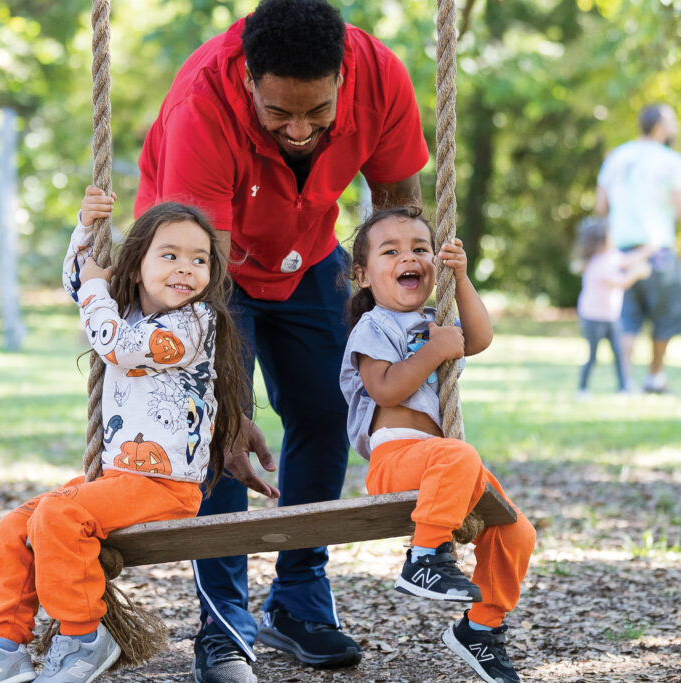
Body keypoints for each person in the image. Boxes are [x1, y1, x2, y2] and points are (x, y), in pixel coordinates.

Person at [135, 1, 430, 678]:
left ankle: (298, 597)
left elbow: (394, 200)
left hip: (304, 250)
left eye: (317, 112)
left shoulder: (380, 76)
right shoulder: (200, 106)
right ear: (247, 82)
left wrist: (400, 309)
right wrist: (227, 403)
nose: (299, 130)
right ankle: (224, 621)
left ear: (342, 81)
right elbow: (197, 281)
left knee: (333, 406)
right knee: (217, 428)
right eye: (278, 114)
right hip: (199, 266)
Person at [0, 187, 249, 683]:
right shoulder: (125, 310)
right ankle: (3, 648)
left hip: (166, 488)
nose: (186, 268)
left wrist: (94, 290)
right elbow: (79, 283)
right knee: (17, 526)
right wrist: (86, 228)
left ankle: (85, 637)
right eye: (169, 255)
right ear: (136, 266)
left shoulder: (195, 322)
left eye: (199, 260)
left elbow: (118, 346)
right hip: (118, 482)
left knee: (60, 514)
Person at [339, 207, 536, 683]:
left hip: (444, 467)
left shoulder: (438, 318)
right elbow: (386, 389)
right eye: (391, 251)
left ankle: (481, 627)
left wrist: (460, 278)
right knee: (459, 455)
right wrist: (434, 350)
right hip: (396, 459)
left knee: (516, 531)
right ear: (363, 275)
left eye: (420, 249)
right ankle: (424, 558)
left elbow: (480, 337)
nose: (409, 257)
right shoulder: (375, 326)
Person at [595, 104, 681, 393]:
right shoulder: (671, 161)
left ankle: (626, 382)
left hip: (619, 250)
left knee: (627, 318)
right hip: (656, 251)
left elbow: (600, 207)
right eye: (671, 121)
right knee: (665, 316)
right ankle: (655, 376)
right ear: (659, 126)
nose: (674, 127)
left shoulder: (617, 157)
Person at [572, 217, 654, 396]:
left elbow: (627, 260)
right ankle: (583, 389)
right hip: (593, 317)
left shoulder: (611, 256)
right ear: (601, 240)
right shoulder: (596, 264)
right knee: (593, 356)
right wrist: (637, 273)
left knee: (618, 353)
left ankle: (624, 388)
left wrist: (647, 250)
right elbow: (621, 283)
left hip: (611, 316)